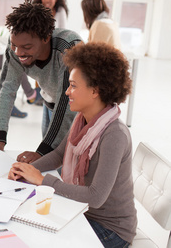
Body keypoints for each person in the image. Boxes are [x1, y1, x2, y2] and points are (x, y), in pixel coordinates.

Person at [9, 42, 136, 247]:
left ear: (95, 91)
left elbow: (95, 197)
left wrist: (42, 180)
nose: (67, 92)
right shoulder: (82, 120)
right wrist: (27, 170)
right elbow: (60, 154)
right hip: (83, 213)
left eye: (74, 85)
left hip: (111, 230)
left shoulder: (115, 135)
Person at [0, 0, 82, 163]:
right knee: (51, 161)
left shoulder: (68, 47)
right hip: (50, 104)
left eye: (26, 47)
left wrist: (42, 151)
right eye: (14, 45)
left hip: (77, 110)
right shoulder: (16, 47)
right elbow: (7, 89)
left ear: (46, 38)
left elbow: (68, 101)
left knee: (67, 163)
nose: (18, 52)